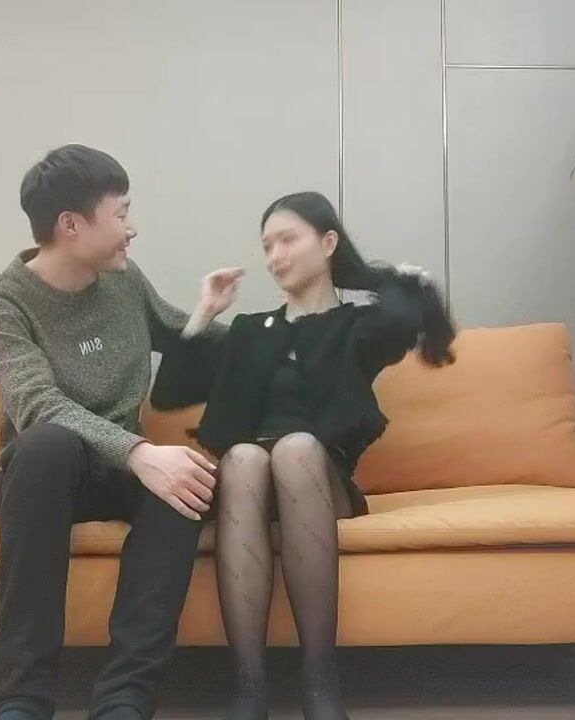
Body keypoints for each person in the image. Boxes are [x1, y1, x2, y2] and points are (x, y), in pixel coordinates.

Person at [151, 191, 456, 720]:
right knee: (243, 457)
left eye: (288, 240)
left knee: (294, 449)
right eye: (267, 246)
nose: (275, 256)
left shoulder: (357, 328)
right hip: (248, 490)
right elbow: (168, 393)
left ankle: (320, 681)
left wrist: (372, 273)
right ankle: (249, 688)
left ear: (328, 242)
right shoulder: (250, 331)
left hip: (319, 478)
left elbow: (407, 314)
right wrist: (206, 310)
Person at [0, 144, 243, 720]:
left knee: (185, 483)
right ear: (71, 224)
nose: (131, 228)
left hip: (116, 468)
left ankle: (125, 698)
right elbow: (36, 405)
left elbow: (176, 334)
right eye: (121, 213)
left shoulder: (123, 281)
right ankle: (22, 698)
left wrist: (214, 315)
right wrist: (140, 451)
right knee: (48, 444)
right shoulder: (0, 302)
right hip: (42, 477)